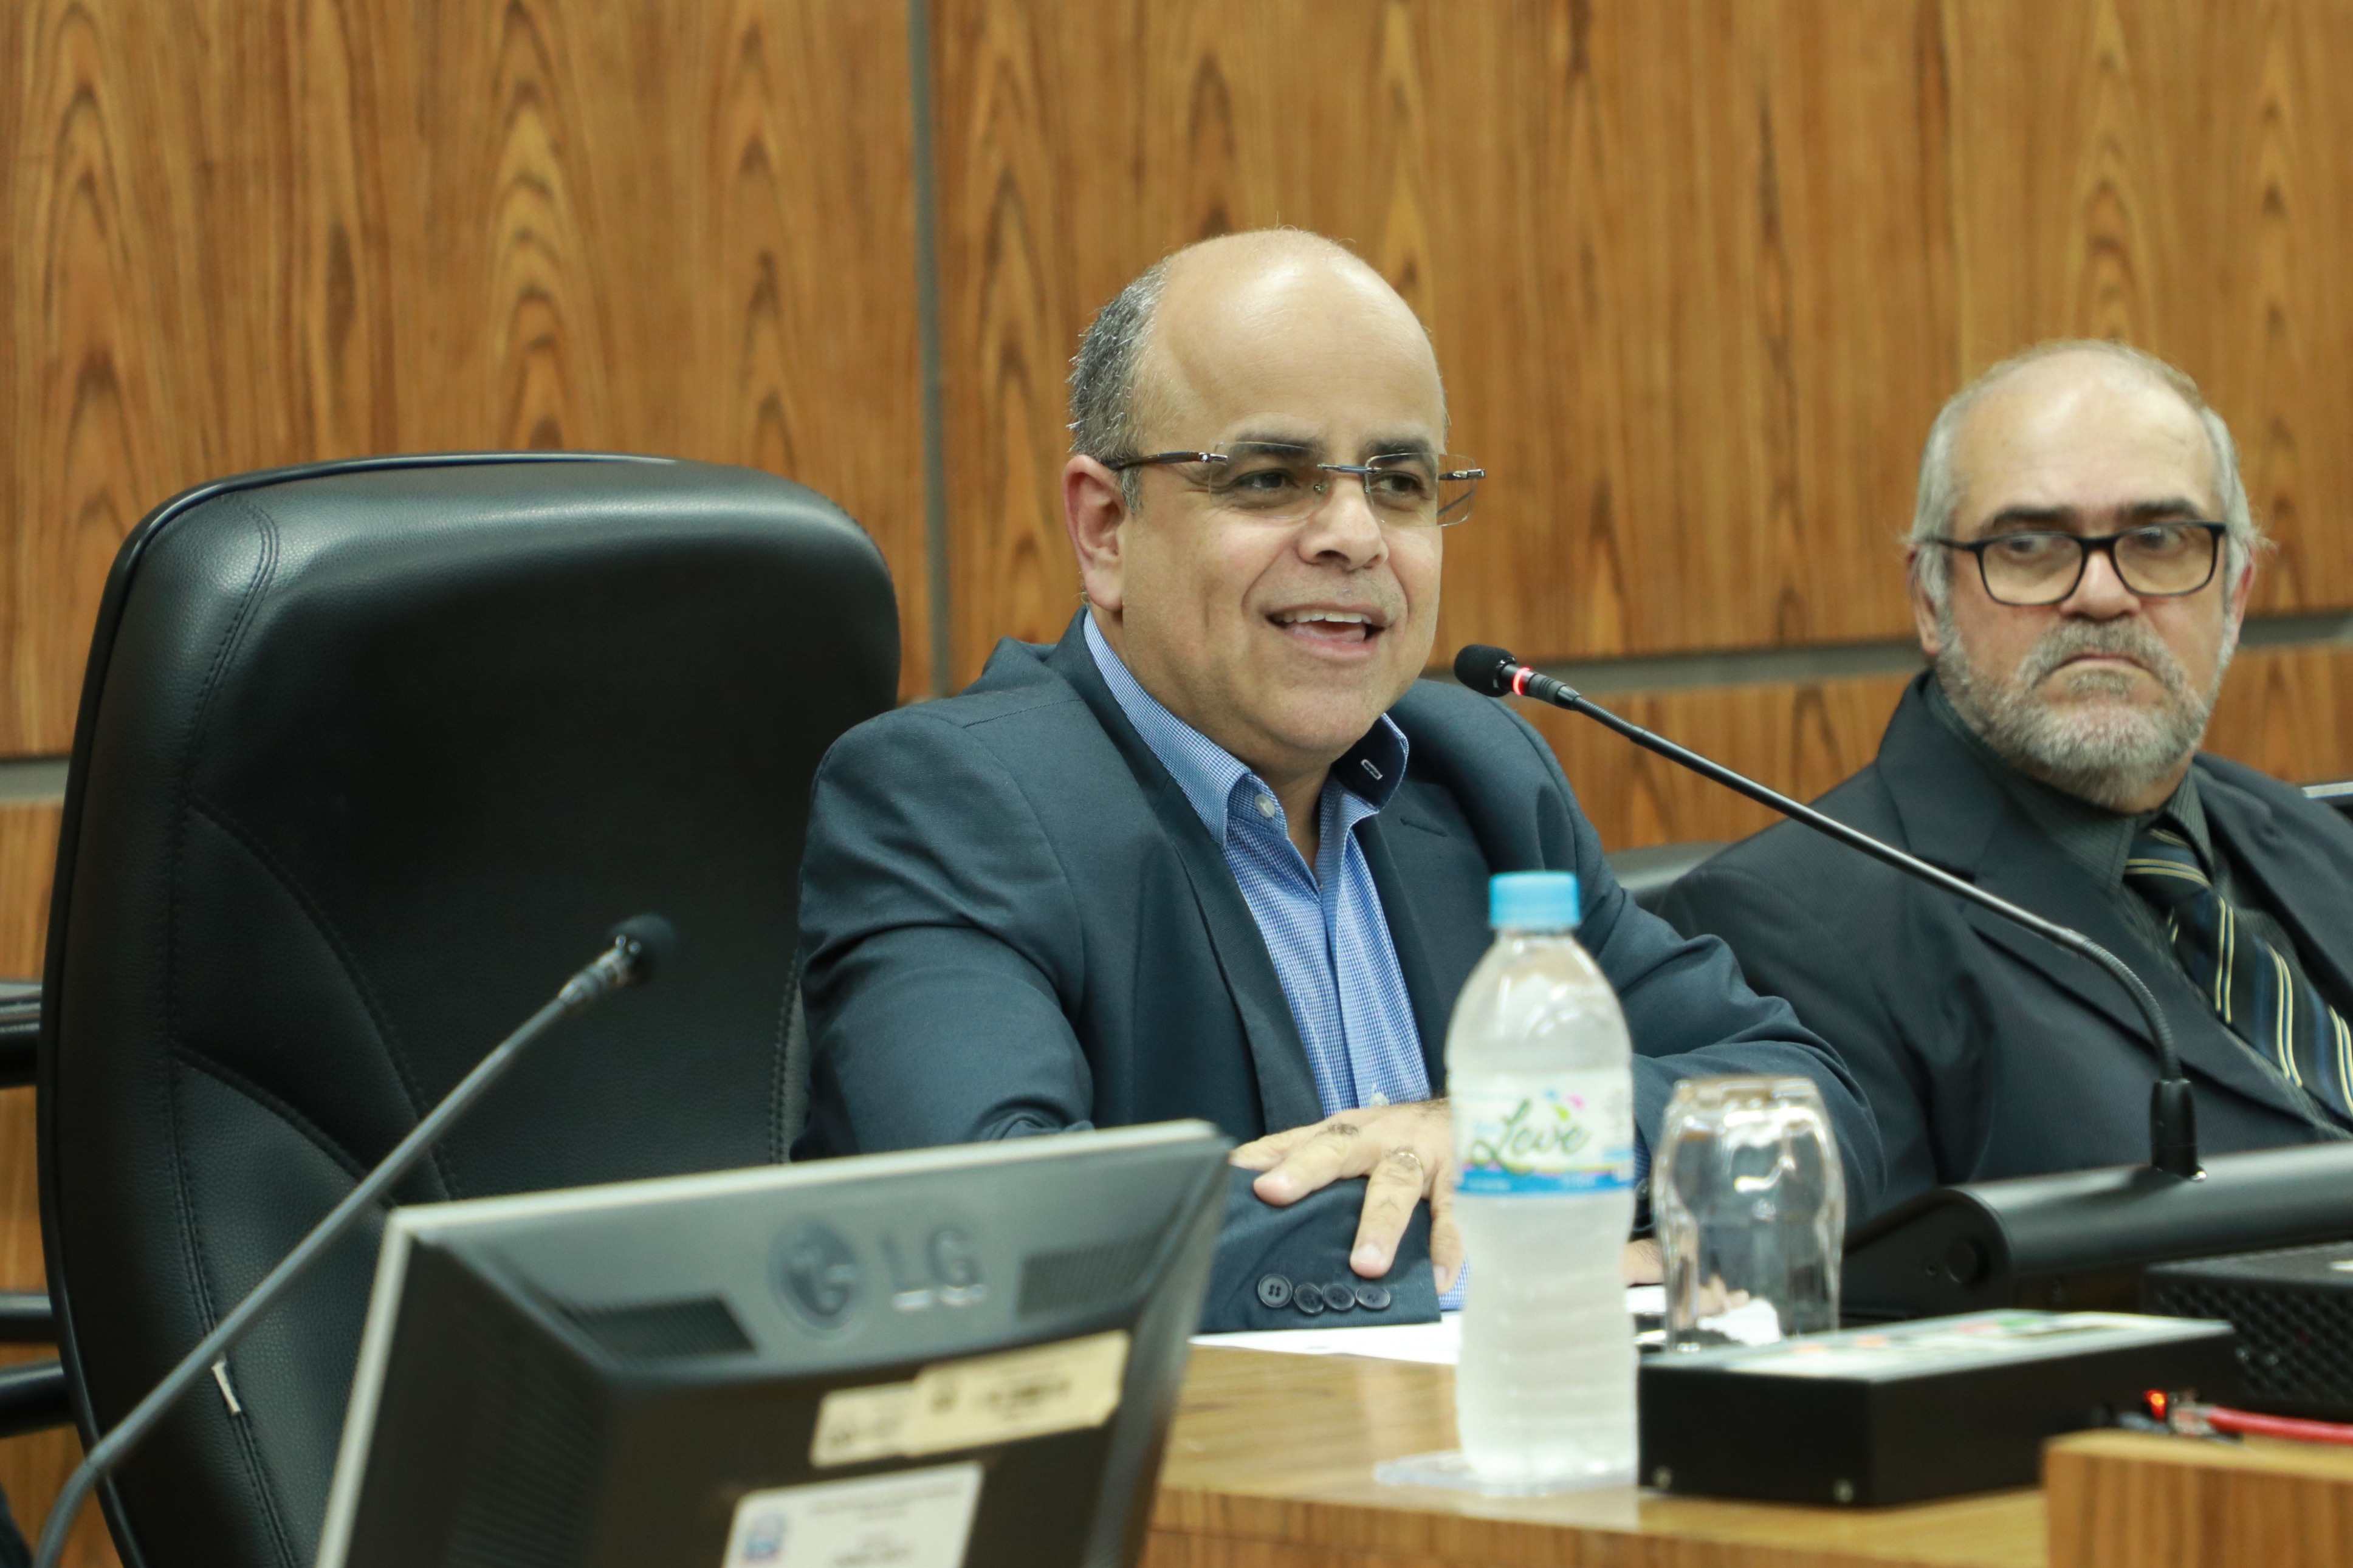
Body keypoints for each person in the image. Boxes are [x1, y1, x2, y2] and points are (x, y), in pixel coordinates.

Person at [794, 229, 1881, 1327]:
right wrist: (1523, 1230)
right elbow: (993, 1226)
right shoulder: (952, 798)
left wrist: (1509, 1139)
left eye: (1400, 483)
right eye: (1270, 478)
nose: (1356, 536)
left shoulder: (1479, 776)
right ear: (1108, 526)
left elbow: (1811, 1109)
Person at [1663, 341, 2353, 1213]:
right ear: (1930, 600)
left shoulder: (2317, 842)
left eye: (2159, 540)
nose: (2101, 594)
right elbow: (1885, 1292)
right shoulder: (1784, 932)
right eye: (2028, 544)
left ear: (2237, 594)